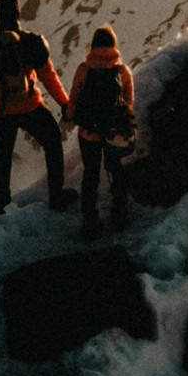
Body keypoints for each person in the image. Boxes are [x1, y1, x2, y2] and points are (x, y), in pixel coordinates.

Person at [0, 0, 72, 215]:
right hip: (30, 107)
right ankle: (56, 195)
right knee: (52, 141)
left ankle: (2, 205)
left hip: (0, 110)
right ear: (17, 14)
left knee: (2, 159)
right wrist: (64, 102)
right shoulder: (29, 40)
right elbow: (47, 75)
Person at [66, 25, 136, 235]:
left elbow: (74, 98)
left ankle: (90, 220)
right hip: (113, 132)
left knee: (91, 174)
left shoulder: (84, 69)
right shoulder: (121, 70)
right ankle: (120, 212)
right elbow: (129, 102)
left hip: (88, 132)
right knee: (115, 169)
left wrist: (70, 116)